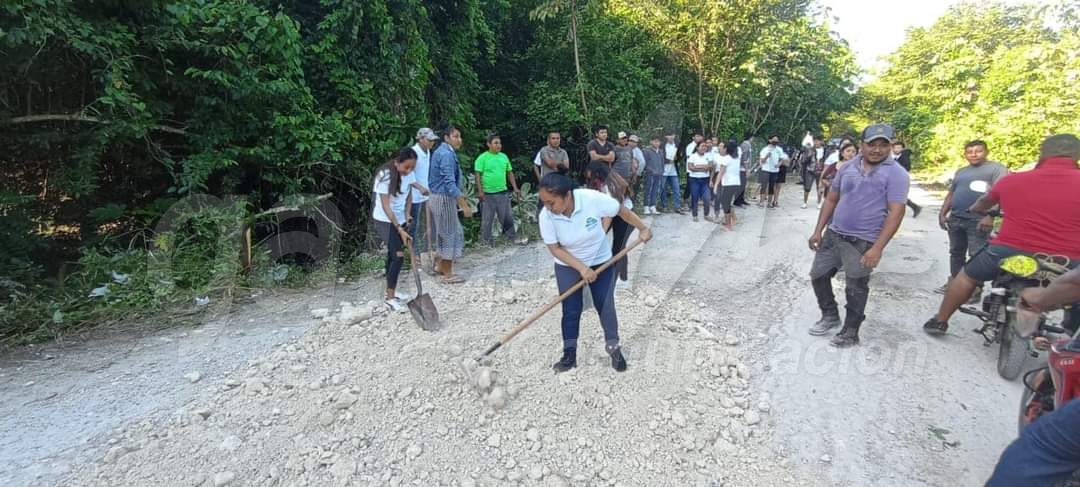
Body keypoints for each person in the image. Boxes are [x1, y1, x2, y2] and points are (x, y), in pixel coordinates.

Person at [923, 134, 1080, 335]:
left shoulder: (1014, 180)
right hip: (1068, 260)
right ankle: (1070, 340)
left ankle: (940, 320)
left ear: (1043, 154)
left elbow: (983, 203)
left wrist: (978, 210)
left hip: (1009, 250)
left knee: (966, 276)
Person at [537, 172, 652, 373]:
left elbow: (621, 211)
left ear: (567, 195)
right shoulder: (547, 216)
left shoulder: (592, 199)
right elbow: (555, 248)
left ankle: (613, 348)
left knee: (605, 305)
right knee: (571, 310)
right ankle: (569, 355)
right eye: (545, 203)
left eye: (551, 202)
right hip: (568, 265)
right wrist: (582, 268)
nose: (548, 207)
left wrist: (643, 228)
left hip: (601, 261)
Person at [807, 124, 910, 347]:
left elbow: (896, 212)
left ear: (891, 146)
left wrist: (877, 248)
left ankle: (850, 331)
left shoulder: (897, 174)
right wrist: (818, 230)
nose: (877, 150)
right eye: (872, 144)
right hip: (834, 234)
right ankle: (830, 315)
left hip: (863, 241)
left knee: (856, 287)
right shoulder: (847, 167)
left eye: (884, 145)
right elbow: (832, 199)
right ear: (862, 144)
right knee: (818, 275)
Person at [932, 140, 1009, 300]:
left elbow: (1000, 193)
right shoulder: (961, 171)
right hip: (957, 217)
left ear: (986, 152)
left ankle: (974, 289)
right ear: (965, 154)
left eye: (978, 151)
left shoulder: (997, 169)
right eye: (970, 152)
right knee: (956, 252)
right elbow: (952, 194)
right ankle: (954, 283)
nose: (974, 154)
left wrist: (990, 216)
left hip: (978, 219)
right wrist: (943, 212)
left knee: (976, 255)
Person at [372, 148, 417, 311]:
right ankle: (390, 299)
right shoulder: (384, 176)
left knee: (393, 255)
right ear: (397, 163)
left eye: (412, 167)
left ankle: (391, 291)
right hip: (385, 219)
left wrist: (407, 214)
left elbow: (409, 195)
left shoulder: (409, 173)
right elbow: (385, 206)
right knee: (398, 256)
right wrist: (399, 228)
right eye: (406, 167)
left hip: (400, 218)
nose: (409, 171)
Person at [428, 125, 474, 284]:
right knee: (450, 235)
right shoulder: (446, 154)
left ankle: (441, 266)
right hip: (444, 198)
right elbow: (449, 183)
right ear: (446, 138)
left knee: (449, 232)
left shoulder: (443, 152)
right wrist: (464, 204)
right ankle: (448, 273)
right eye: (455, 136)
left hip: (439, 197)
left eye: (460, 136)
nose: (459, 139)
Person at [474, 134, 526, 246]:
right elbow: (477, 175)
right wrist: (480, 191)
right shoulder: (482, 158)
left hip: (502, 192)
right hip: (487, 194)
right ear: (488, 144)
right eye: (496, 143)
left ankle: (511, 238)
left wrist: (515, 187)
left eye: (499, 143)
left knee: (507, 216)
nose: (499, 145)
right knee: (487, 219)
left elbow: (509, 173)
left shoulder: (504, 157)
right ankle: (486, 241)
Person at [409, 128, 440, 266]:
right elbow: (407, 173)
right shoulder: (413, 153)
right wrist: (419, 187)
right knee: (413, 226)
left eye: (433, 140)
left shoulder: (427, 152)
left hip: (426, 194)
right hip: (413, 196)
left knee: (427, 224)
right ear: (420, 139)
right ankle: (413, 254)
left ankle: (428, 250)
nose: (432, 142)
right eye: (429, 140)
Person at [712, 140, 742, 230]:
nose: (721, 149)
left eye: (723, 147)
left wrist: (716, 185)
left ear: (726, 149)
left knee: (725, 204)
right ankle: (733, 220)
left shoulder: (726, 159)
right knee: (727, 203)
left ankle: (729, 225)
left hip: (729, 184)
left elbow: (721, 173)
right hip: (736, 183)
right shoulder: (736, 158)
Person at [891, 140, 922, 217]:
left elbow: (907, 168)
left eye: (899, 148)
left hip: (900, 180)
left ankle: (915, 207)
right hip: (890, 179)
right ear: (892, 148)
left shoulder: (904, 157)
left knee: (898, 195)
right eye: (896, 148)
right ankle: (915, 207)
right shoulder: (890, 157)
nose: (898, 149)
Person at [686, 140, 714, 222]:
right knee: (695, 197)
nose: (704, 147)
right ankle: (695, 215)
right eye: (702, 146)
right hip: (694, 180)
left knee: (707, 198)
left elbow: (711, 166)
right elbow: (691, 168)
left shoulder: (708, 156)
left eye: (705, 146)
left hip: (705, 180)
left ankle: (706, 214)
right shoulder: (693, 156)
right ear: (697, 147)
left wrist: (697, 167)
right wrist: (704, 167)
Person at [660, 132, 683, 213]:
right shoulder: (662, 146)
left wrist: (678, 158)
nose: (671, 137)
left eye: (672, 135)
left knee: (676, 189)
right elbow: (660, 157)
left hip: (673, 171)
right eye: (669, 135)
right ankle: (664, 206)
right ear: (666, 136)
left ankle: (678, 207)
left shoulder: (677, 145)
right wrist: (669, 160)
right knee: (663, 189)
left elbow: (680, 156)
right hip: (664, 171)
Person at [758, 135, 783, 208]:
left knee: (772, 187)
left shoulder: (779, 149)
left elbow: (781, 159)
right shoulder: (765, 149)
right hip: (766, 169)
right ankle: (761, 201)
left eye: (777, 140)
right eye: (774, 140)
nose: (775, 142)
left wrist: (779, 164)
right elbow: (761, 160)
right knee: (764, 186)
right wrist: (766, 156)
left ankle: (769, 202)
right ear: (770, 140)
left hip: (775, 170)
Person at [642, 135, 665, 215]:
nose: (657, 143)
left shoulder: (661, 151)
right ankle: (646, 206)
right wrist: (649, 170)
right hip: (650, 174)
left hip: (659, 174)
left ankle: (653, 206)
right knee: (648, 190)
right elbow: (644, 163)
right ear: (651, 142)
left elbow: (662, 162)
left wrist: (662, 171)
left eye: (658, 141)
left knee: (655, 190)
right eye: (655, 141)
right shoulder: (646, 151)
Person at [801, 136, 825, 209]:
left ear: (821, 141)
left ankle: (819, 202)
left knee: (820, 187)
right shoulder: (809, 149)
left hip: (821, 171)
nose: (816, 142)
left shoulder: (825, 150)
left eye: (818, 141)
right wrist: (808, 155)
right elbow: (803, 160)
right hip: (810, 170)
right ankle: (805, 202)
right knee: (807, 187)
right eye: (815, 141)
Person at [734, 133, 753, 207]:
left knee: (744, 184)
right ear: (750, 138)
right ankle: (737, 201)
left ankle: (741, 199)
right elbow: (744, 158)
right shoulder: (745, 145)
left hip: (744, 168)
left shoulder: (747, 145)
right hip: (742, 168)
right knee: (741, 185)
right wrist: (747, 169)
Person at [629, 134, 647, 208]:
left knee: (633, 191)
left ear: (637, 143)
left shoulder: (637, 151)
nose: (632, 143)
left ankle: (631, 207)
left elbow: (642, 163)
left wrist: (637, 173)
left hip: (634, 175)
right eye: (631, 141)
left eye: (634, 141)